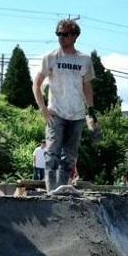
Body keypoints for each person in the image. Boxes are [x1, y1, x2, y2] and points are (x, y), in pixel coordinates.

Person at [32, 19, 96, 194]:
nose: (61, 37)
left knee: (69, 157)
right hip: (56, 113)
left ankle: (61, 190)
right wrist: (43, 109)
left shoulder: (84, 59)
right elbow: (36, 83)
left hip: (77, 115)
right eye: (58, 34)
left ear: (74, 36)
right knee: (52, 153)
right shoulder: (50, 57)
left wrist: (91, 111)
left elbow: (87, 86)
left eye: (65, 34)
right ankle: (51, 191)